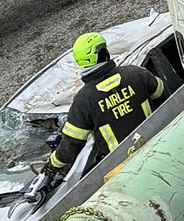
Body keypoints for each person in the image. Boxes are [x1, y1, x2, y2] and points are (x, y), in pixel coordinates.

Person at [47, 32, 165, 175]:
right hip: (161, 147)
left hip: (125, 170)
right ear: (104, 53)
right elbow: (164, 97)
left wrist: (53, 164)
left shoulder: (83, 101)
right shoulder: (136, 74)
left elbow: (71, 144)